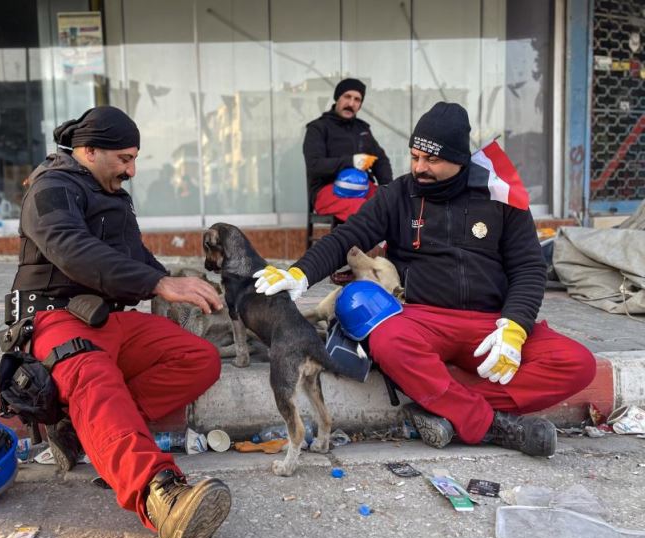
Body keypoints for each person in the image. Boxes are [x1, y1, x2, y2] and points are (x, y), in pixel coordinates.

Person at [255, 102, 596, 458]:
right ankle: (489, 424)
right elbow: (347, 237)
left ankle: (444, 400)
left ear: (459, 159)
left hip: (492, 323)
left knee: (576, 364)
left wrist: (515, 326)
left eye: (431, 160)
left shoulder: (500, 196)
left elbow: (529, 267)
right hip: (423, 320)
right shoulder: (398, 195)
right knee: (387, 341)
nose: (419, 167)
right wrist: (300, 272)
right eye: (415, 156)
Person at [7, 106, 231, 538]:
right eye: (125, 159)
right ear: (89, 151)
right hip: (55, 321)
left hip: (108, 319)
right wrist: (157, 285)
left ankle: (86, 430)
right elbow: (74, 250)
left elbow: (132, 253)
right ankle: (162, 499)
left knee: (199, 357)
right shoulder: (50, 189)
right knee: (94, 380)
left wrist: (174, 280)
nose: (131, 170)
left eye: (135, 159)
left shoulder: (109, 191)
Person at [303, 78, 393, 224]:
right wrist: (350, 162)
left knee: (393, 204)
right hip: (328, 190)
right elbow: (314, 165)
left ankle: (387, 247)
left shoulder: (362, 129)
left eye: (357, 100)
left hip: (362, 187)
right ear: (337, 98)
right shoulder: (318, 128)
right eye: (347, 97)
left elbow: (380, 159)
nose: (351, 104)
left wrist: (387, 187)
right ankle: (355, 246)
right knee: (365, 210)